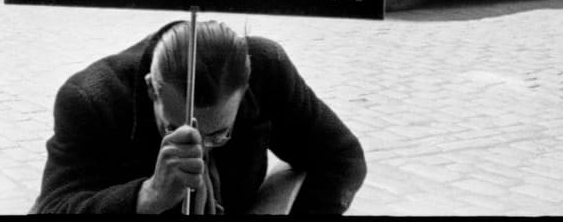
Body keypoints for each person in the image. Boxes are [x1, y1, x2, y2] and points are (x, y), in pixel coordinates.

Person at [32, 18, 366, 214]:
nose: (200, 150)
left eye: (219, 134)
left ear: (246, 87)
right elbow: (52, 206)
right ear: (151, 90)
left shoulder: (267, 69)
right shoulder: (93, 99)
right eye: (175, 129)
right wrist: (146, 196)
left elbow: (343, 159)